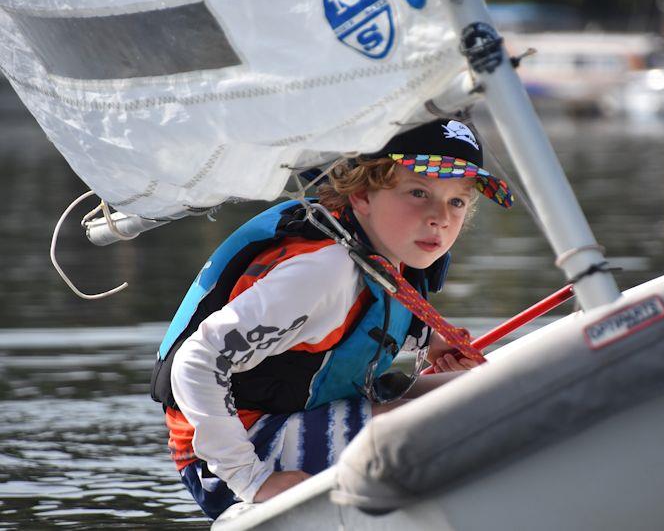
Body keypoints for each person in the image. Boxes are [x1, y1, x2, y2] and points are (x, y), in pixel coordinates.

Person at [150, 118, 514, 520]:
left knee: (486, 389)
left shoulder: (385, 253)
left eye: (456, 201)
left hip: (294, 422)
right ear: (361, 195)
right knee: (445, 417)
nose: (440, 218)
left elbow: (360, 322)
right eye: (418, 192)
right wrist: (251, 479)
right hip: (234, 456)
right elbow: (197, 361)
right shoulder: (324, 271)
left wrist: (430, 340)